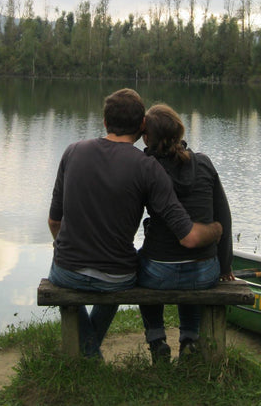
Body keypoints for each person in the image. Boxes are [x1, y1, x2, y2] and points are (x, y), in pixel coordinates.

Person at [47, 88, 223, 358]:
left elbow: (54, 221)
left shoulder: (73, 151)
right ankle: (89, 352)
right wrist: (215, 229)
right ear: (142, 126)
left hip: (67, 270)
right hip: (117, 275)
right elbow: (186, 234)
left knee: (65, 279)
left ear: (105, 121)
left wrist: (62, 246)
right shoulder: (147, 166)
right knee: (110, 279)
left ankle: (88, 353)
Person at [138, 103, 234, 362]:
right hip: (205, 270)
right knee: (190, 268)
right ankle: (189, 339)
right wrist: (224, 267)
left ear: (147, 137)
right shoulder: (203, 163)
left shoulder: (145, 167)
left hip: (157, 272)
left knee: (138, 265)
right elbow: (223, 217)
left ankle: (157, 340)